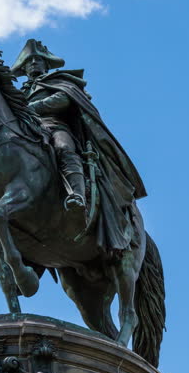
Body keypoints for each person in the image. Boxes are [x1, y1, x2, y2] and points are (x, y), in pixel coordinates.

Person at [12, 39, 147, 255]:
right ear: (24, 68)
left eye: (38, 60)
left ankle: (77, 196)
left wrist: (31, 107)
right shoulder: (19, 93)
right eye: (29, 62)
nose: (34, 64)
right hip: (26, 134)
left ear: (46, 63)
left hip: (55, 127)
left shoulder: (61, 80)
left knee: (65, 149)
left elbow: (63, 99)